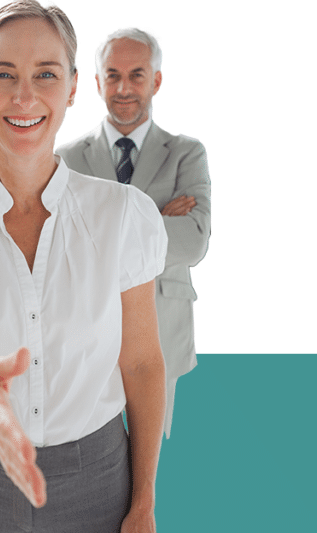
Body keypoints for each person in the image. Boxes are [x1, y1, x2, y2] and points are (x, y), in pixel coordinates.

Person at [0, 0, 168, 533]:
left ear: (71, 87)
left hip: (102, 483)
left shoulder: (121, 216)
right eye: (3, 74)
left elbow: (141, 365)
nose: (25, 96)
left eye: (45, 73)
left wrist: (144, 502)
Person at [57, 28, 211, 439]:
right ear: (95, 82)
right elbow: (58, 243)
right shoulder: (66, 159)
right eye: (112, 75)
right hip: (86, 334)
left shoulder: (185, 154)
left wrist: (100, 229)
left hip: (162, 330)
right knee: (92, 460)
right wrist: (155, 219)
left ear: (156, 80)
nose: (123, 88)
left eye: (136, 75)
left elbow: (193, 240)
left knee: (148, 465)